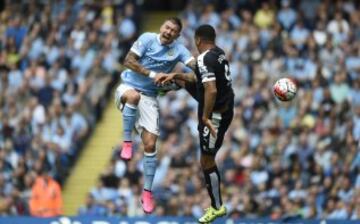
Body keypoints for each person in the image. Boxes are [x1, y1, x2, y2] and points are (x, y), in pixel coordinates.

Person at [114, 17, 195, 214]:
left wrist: (177, 77)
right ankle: (127, 143)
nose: (168, 31)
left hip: (150, 97)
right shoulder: (147, 38)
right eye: (167, 27)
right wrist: (152, 75)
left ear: (177, 35)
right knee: (133, 97)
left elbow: (195, 69)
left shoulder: (180, 50)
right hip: (128, 87)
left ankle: (147, 192)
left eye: (173, 30)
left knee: (151, 145)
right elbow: (128, 60)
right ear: (162, 26)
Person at [156, 24, 234, 223]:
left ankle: (217, 206)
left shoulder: (203, 58)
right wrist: (177, 75)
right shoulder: (219, 53)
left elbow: (211, 89)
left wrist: (206, 117)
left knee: (206, 161)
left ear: (198, 40)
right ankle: (166, 86)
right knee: (182, 79)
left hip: (215, 114)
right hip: (225, 106)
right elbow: (199, 78)